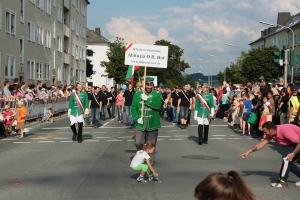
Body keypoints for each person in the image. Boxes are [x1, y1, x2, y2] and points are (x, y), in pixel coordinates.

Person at [240, 121, 300, 188]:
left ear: (271, 130)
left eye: (266, 132)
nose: (265, 134)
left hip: (298, 143)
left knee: (286, 158)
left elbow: (299, 142)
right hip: (295, 143)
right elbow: (261, 144)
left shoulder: (285, 131)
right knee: (288, 163)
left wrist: (292, 153)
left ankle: (282, 182)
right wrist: (248, 152)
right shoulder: (272, 134)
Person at [131, 77, 162, 165]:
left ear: (153, 85)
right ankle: (142, 155)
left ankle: (149, 163)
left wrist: (147, 100)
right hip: (140, 123)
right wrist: (137, 118)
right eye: (147, 84)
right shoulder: (137, 94)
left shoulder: (157, 94)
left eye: (150, 84)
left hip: (152, 123)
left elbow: (158, 106)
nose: (149, 86)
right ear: (143, 84)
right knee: (138, 142)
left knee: (151, 145)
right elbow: (133, 108)